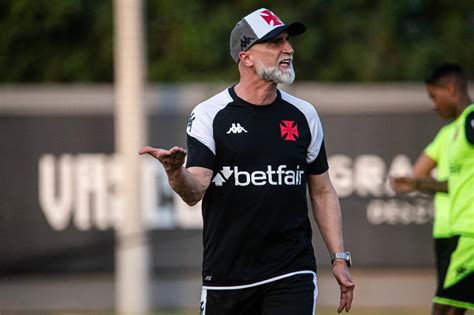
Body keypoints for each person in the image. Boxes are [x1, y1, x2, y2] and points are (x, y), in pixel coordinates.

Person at [140, 7, 354, 315]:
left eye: (287, 41)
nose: (288, 49)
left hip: (291, 271)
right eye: (275, 43)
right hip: (227, 277)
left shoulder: (304, 115)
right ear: (246, 56)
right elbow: (194, 191)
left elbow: (321, 191)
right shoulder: (210, 114)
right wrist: (175, 172)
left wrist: (339, 258)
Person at [391, 63, 474, 315]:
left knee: (445, 308)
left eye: (434, 96)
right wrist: (416, 183)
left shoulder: (472, 120)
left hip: (469, 231)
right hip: (450, 231)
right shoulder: (448, 133)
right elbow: (434, 179)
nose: (434, 104)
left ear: (450, 88)